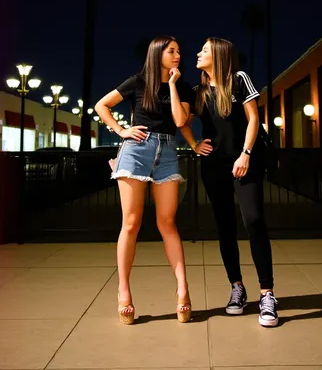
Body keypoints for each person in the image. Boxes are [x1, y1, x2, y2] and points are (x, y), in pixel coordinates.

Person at [180, 37, 279, 327]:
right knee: (225, 226)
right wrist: (194, 144)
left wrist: (246, 154)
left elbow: (253, 118)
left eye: (205, 50)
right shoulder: (198, 91)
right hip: (215, 164)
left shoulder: (238, 80)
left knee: (254, 220)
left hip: (245, 160)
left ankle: (267, 294)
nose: (198, 53)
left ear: (220, 55)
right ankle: (237, 287)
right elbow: (180, 119)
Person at [95, 36, 193, 325]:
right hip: (136, 151)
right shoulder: (138, 81)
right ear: (157, 53)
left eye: (179, 51)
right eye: (172, 51)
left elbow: (178, 121)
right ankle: (123, 291)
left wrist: (173, 85)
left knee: (167, 223)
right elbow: (103, 105)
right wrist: (120, 130)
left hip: (167, 152)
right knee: (131, 222)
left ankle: (182, 290)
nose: (178, 55)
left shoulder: (183, 85)